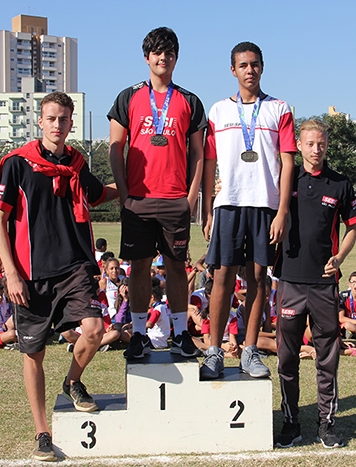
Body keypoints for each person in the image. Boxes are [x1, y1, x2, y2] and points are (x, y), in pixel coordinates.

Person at [0, 91, 118, 462]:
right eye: (52, 118)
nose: (58, 125)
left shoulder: (76, 163)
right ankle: (42, 432)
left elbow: (94, 195)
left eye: (64, 119)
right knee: (34, 353)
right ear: (40, 122)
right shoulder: (17, 163)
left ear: (71, 123)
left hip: (75, 266)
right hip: (29, 274)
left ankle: (72, 381)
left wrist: (133, 186)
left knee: (93, 329)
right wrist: (10, 273)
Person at [108, 26, 206, 360]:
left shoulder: (189, 101)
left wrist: (191, 199)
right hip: (138, 199)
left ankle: (180, 334)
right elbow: (115, 148)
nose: (163, 57)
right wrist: (124, 194)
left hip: (175, 199)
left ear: (176, 58)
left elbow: (197, 154)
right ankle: (138, 334)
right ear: (147, 57)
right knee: (139, 267)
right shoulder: (128, 97)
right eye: (157, 52)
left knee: (177, 267)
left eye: (169, 52)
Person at [201, 41, 296, 379]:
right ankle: (214, 351)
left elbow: (287, 163)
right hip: (227, 204)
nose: (250, 70)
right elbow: (208, 162)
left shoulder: (280, 109)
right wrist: (207, 211)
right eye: (243, 65)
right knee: (222, 277)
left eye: (255, 64)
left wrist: (282, 210)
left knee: (258, 277)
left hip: (264, 205)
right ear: (233, 70)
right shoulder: (217, 111)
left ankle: (250, 350)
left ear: (263, 67)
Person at [273, 119, 356, 449]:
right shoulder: (287, 178)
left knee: (327, 358)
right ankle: (291, 422)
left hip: (325, 284)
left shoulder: (340, 183)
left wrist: (340, 258)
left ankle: (326, 422)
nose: (316, 149)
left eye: (321, 143)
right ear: (299, 144)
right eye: (309, 144)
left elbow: (351, 227)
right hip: (290, 281)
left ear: (326, 145)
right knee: (287, 358)